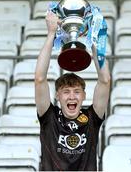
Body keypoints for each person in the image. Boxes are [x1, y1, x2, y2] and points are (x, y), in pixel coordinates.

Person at [35, 11, 110, 171]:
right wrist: (51, 34)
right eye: (66, 91)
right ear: (57, 96)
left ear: (84, 96)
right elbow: (40, 78)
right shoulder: (49, 118)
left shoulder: (91, 118)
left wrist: (94, 36)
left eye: (76, 91)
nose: (71, 96)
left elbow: (104, 80)